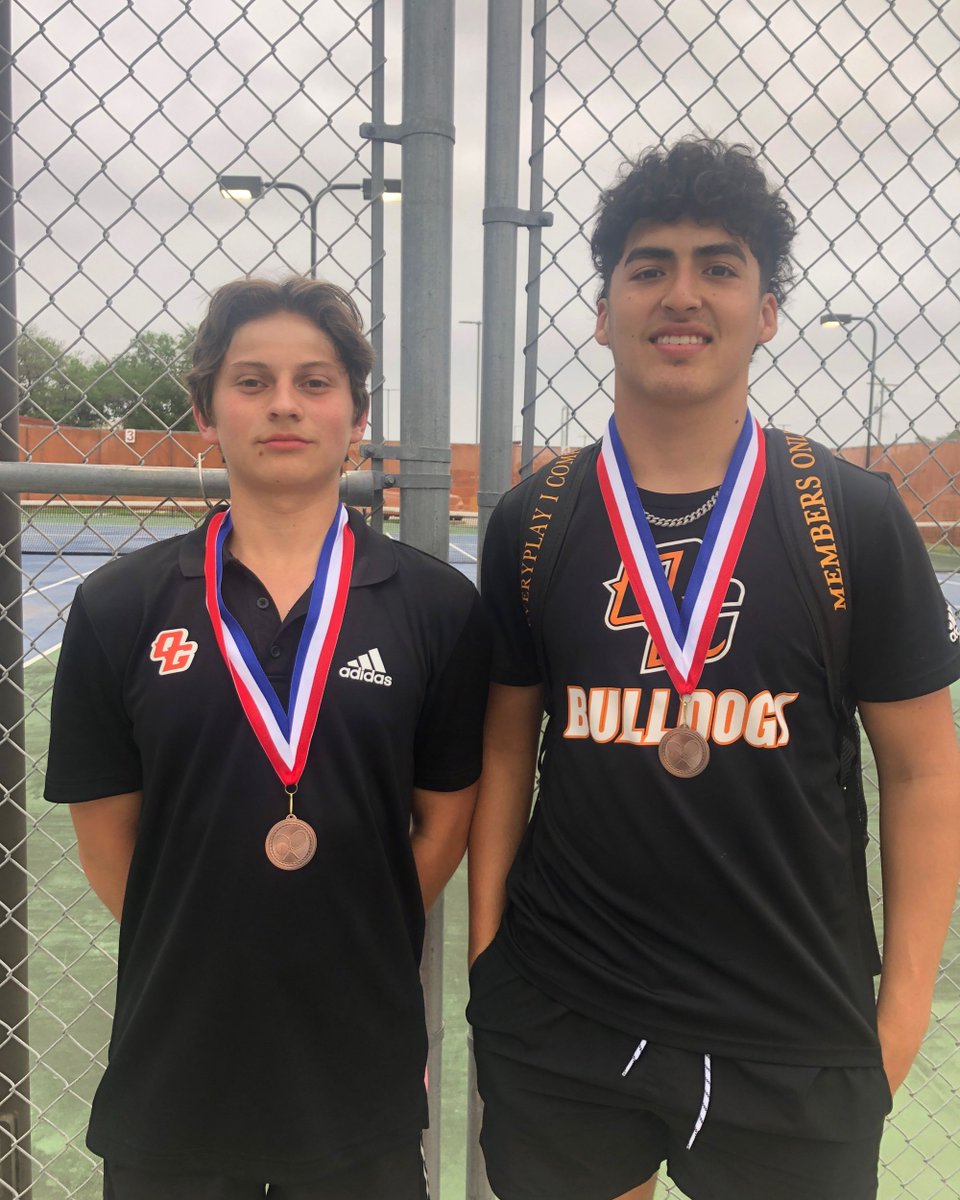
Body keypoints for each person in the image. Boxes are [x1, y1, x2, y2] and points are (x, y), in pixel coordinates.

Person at [467, 138, 960, 1200]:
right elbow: (506, 746)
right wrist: (489, 963)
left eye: (718, 265)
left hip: (794, 1025)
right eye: (648, 267)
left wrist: (902, 1009)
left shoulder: (853, 519)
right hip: (563, 1009)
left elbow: (923, 772)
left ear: (767, 309)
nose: (680, 294)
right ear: (603, 310)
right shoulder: (537, 516)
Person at [45, 276, 490, 1199]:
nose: (284, 403)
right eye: (252, 381)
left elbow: (445, 824)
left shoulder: (438, 608)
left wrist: (344, 928)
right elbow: (105, 841)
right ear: (207, 409)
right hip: (177, 1069)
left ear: (356, 416)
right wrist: (216, 940)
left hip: (355, 1073)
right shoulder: (119, 607)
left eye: (315, 382)